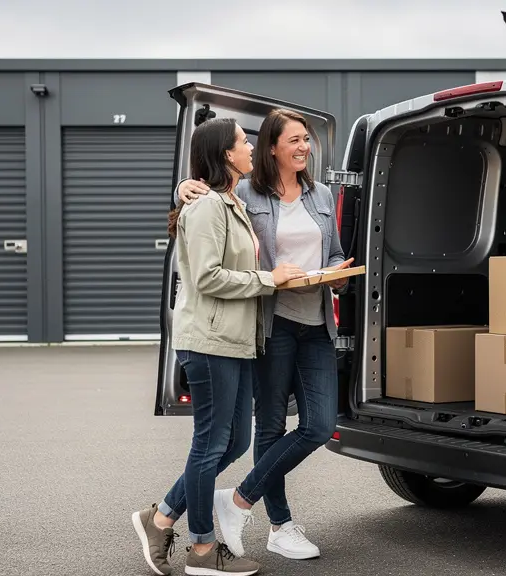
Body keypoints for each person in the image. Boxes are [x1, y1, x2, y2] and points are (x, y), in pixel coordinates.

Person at [174, 108, 351, 561]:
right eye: (293, 140)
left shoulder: (321, 195)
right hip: (270, 325)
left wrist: (336, 273)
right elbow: (208, 201)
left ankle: (238, 500)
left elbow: (332, 252)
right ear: (272, 146)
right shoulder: (247, 191)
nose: (304, 147)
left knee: (319, 426)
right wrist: (181, 186)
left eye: (307, 139)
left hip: (316, 325)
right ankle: (280, 524)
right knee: (269, 428)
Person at [131, 116, 307, 576]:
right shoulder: (207, 206)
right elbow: (207, 277)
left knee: (234, 443)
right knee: (210, 445)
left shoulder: (231, 200)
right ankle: (203, 550)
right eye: (244, 142)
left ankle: (162, 516)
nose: (251, 147)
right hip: (209, 341)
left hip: (235, 341)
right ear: (227, 154)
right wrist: (270, 279)